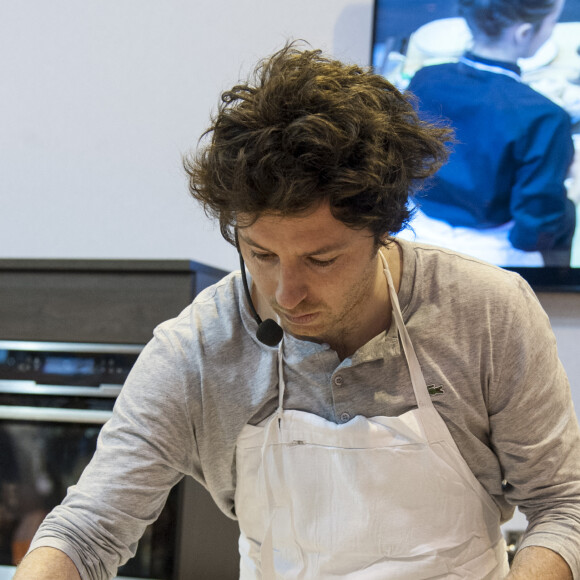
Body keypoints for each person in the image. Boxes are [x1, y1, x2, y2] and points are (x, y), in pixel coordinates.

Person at [15, 44, 580, 579]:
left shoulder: (485, 313)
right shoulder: (198, 350)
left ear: (383, 230)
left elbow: (563, 507)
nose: (287, 294)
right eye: (261, 254)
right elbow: (87, 531)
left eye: (322, 258)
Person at [403, 0, 577, 267]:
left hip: (413, 229)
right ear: (523, 33)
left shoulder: (425, 78)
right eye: (553, 22)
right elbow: (534, 229)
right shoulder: (545, 117)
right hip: (491, 254)